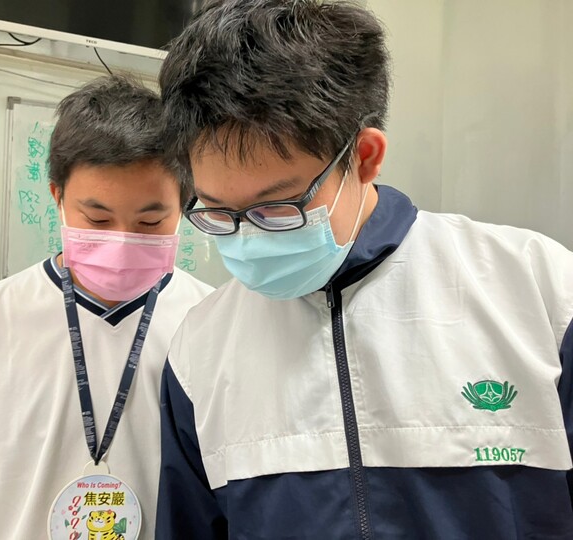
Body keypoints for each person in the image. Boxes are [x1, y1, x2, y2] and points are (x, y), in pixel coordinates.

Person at [154, 1, 573, 538]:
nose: (249, 239)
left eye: (278, 207)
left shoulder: (539, 293)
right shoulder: (202, 348)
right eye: (218, 213)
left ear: (366, 156)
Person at [0, 76, 213, 539]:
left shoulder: (211, 322)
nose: (122, 241)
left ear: (183, 205)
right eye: (97, 219)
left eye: (150, 221)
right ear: (57, 197)